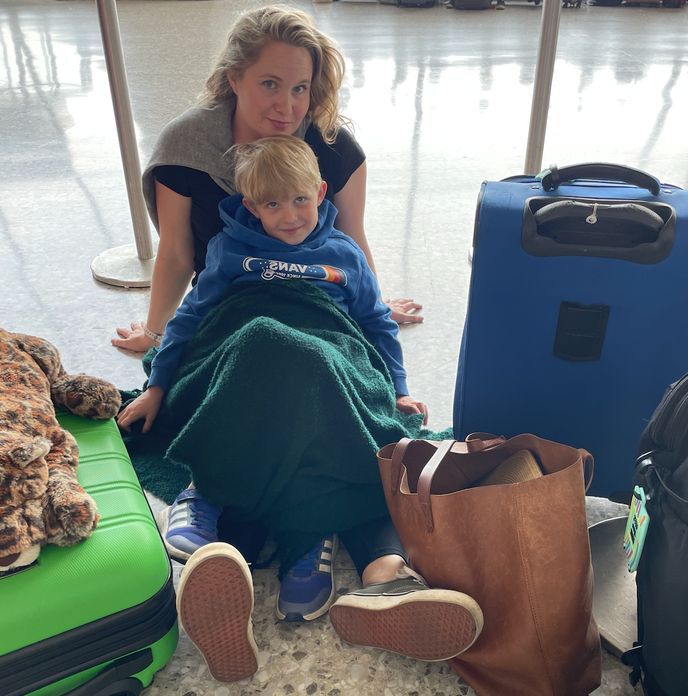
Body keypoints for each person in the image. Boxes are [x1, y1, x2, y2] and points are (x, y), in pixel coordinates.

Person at [117, 135, 485, 682]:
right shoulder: (230, 250)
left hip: (326, 348)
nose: (288, 217)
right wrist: (158, 385)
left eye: (299, 201)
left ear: (319, 192)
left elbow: (374, 324)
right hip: (246, 344)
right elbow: (193, 320)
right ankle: (292, 540)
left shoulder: (343, 256)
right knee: (266, 348)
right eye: (270, 205)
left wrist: (398, 385)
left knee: (340, 408)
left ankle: (252, 545)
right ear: (250, 206)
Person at [112, 5, 421, 357]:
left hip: (321, 310)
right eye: (270, 84)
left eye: (299, 88)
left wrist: (374, 306)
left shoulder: (334, 147)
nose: (287, 107)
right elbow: (176, 253)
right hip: (228, 312)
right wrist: (155, 333)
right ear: (234, 78)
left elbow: (352, 238)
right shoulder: (186, 147)